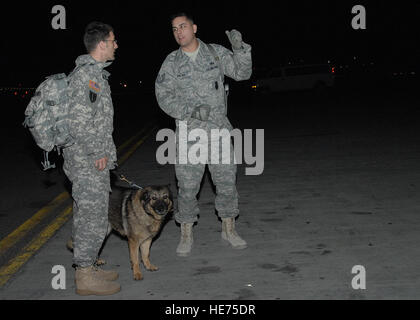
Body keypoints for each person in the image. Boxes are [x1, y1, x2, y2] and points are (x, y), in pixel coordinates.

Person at [155, 12, 252, 256]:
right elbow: (163, 96)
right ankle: (186, 233)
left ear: (194, 28)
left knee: (227, 183)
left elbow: (243, 74)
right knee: (187, 187)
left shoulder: (215, 53)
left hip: (219, 131)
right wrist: (190, 111)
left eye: (183, 26)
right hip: (190, 135)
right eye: (175, 28)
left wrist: (239, 49)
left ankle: (229, 229)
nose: (179, 32)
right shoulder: (172, 62)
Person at [62, 21, 120, 296]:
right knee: (91, 217)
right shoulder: (88, 77)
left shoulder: (95, 75)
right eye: (113, 40)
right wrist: (98, 153)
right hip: (87, 160)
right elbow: (79, 123)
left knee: (92, 214)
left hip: (90, 158)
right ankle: (84, 276)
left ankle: (89, 267)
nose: (116, 45)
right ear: (102, 45)